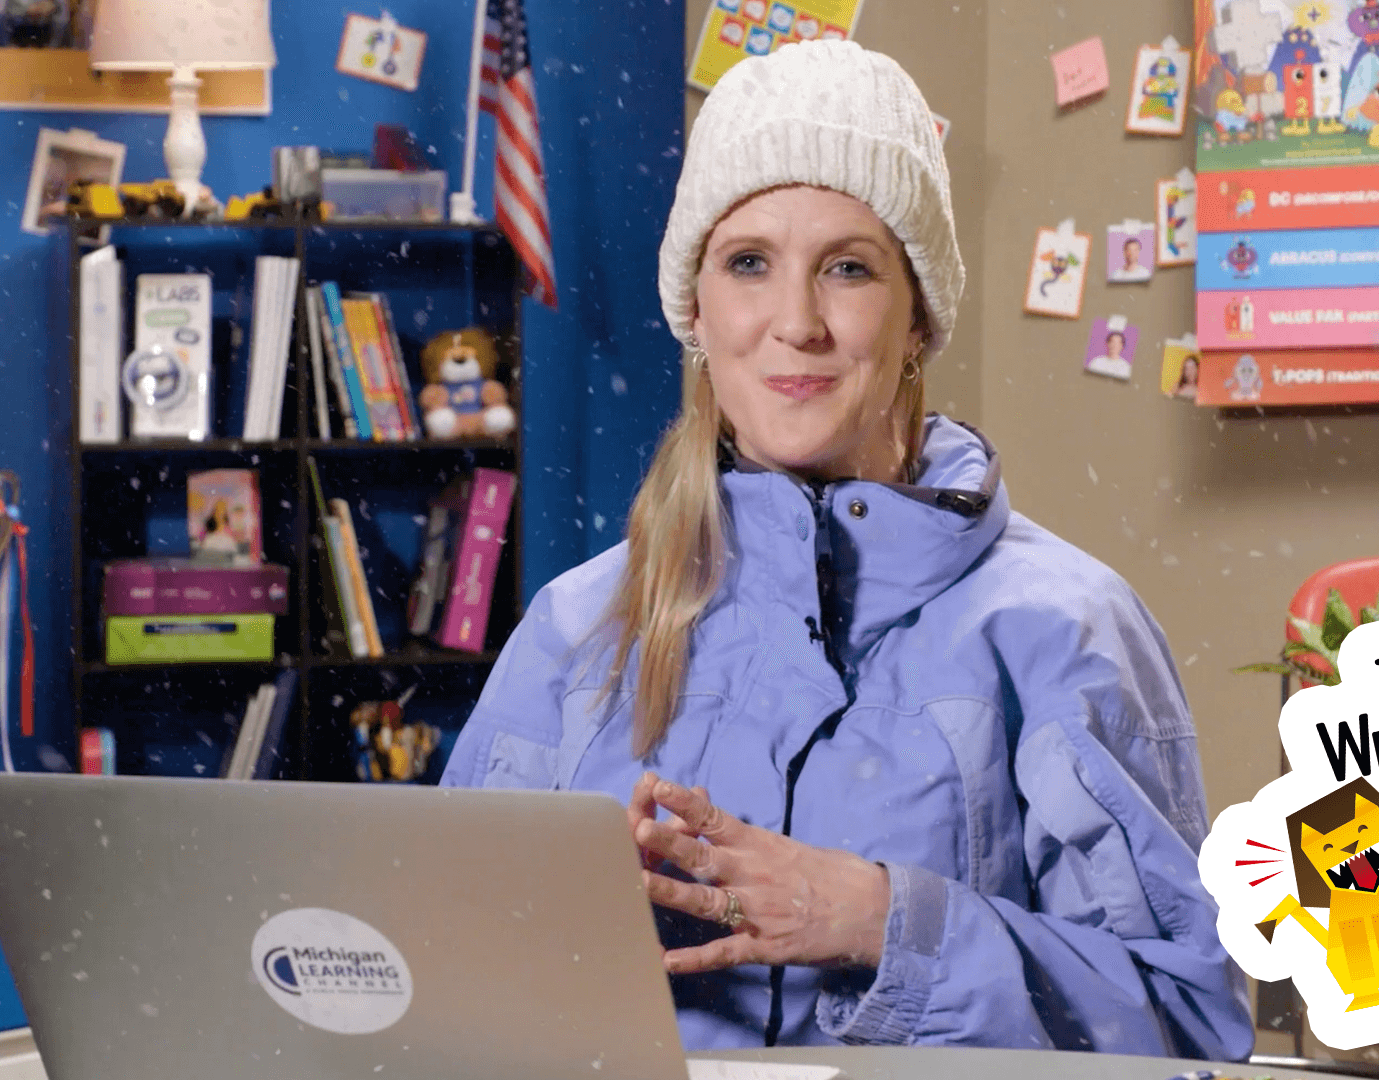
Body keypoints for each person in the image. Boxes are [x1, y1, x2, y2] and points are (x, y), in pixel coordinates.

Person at [439, 39, 1251, 1059]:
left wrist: (878, 919)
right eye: (748, 265)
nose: (796, 324)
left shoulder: (1065, 628)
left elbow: (1187, 1022)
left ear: (917, 319)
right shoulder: (575, 630)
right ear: (697, 310)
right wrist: (567, 934)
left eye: (849, 269)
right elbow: (436, 997)